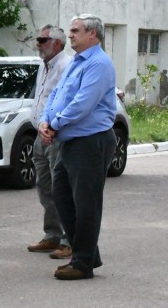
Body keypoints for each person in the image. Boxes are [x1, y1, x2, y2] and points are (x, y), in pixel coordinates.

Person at [39, 14, 117, 280]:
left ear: (92, 34)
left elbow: (83, 104)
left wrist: (55, 125)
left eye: (75, 30)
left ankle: (82, 263)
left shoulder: (99, 64)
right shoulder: (76, 63)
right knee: (62, 197)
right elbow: (57, 95)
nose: (69, 35)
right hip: (69, 141)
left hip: (90, 141)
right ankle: (87, 254)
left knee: (86, 204)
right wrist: (45, 120)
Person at [27, 25, 73, 259]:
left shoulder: (66, 66)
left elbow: (67, 101)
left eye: (42, 40)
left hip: (55, 135)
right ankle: (52, 234)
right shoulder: (44, 65)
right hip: (40, 134)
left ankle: (68, 239)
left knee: (60, 188)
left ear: (57, 43)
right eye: (38, 39)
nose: (38, 43)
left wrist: (52, 127)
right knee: (44, 187)